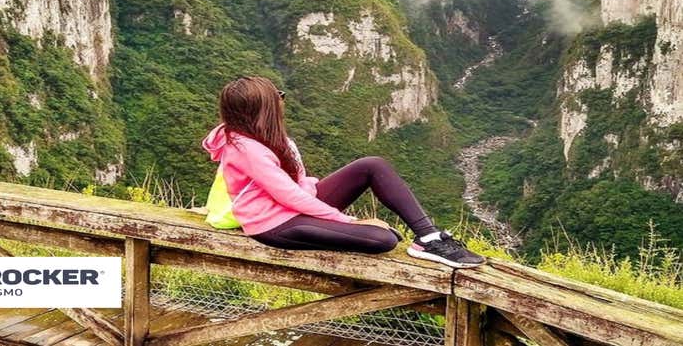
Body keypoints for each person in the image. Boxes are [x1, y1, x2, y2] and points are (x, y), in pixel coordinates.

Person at [201, 76, 485, 268]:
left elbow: (296, 186)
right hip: (274, 224)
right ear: (263, 109)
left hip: (295, 206)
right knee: (382, 240)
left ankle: (429, 238)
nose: (282, 100)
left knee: (372, 165)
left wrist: (324, 201)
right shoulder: (245, 148)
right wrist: (351, 221)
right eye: (278, 96)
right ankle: (420, 242)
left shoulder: (264, 135)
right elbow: (288, 196)